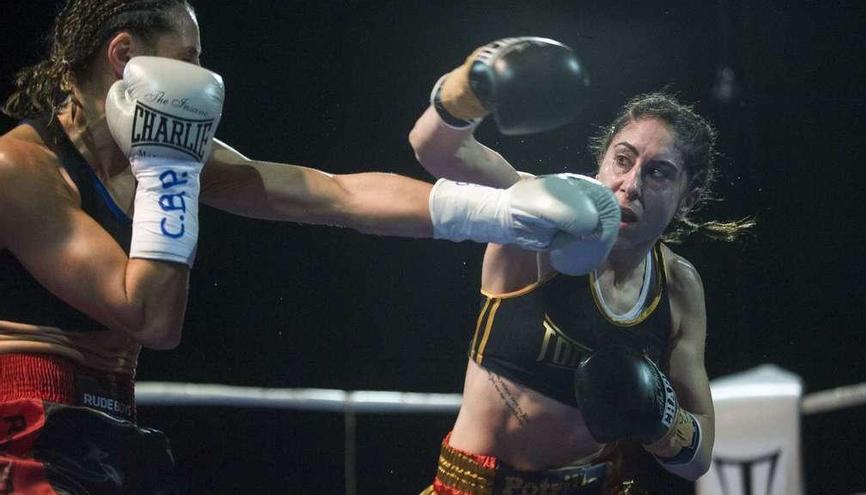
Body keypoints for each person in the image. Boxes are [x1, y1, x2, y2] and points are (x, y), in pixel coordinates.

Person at [0, 4, 615, 494]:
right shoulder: (21, 167)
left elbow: (334, 195)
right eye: (187, 58)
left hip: (104, 419)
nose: (201, 74)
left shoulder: (161, 154)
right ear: (125, 56)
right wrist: (168, 169)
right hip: (23, 421)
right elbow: (151, 317)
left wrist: (508, 213)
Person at [411, 38, 752, 494]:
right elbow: (433, 149)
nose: (630, 185)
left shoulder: (678, 285)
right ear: (601, 161)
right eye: (623, 160)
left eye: (658, 172)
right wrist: (472, 84)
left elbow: (700, 456)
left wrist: (663, 421)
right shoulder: (541, 213)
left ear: (688, 200)